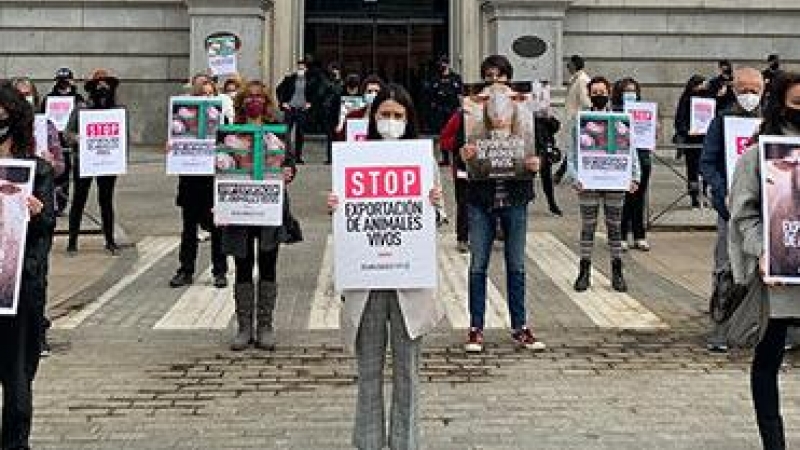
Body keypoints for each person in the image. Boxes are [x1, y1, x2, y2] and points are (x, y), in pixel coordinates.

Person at [328, 83, 444, 450]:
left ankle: (405, 443)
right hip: (368, 281)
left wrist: (435, 204)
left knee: (408, 372)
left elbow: (439, 219)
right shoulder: (355, 158)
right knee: (369, 371)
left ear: (408, 120)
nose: (390, 121)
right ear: (372, 116)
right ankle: (368, 442)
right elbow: (347, 218)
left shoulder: (424, 161)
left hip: (409, 281)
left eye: (397, 116)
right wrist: (336, 205)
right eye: (384, 114)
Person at [728, 71, 800, 450]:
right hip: (779, 274)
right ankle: (774, 441)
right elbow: (743, 213)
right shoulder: (759, 155)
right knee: (769, 356)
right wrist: (764, 252)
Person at [459, 55, 546, 353]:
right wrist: (462, 154)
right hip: (481, 199)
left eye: (500, 77)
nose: (494, 84)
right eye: (488, 77)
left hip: (516, 196)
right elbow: (448, 140)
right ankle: (476, 327)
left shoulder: (527, 117)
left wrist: (537, 163)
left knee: (517, 264)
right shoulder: (470, 117)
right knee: (478, 265)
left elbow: (543, 144)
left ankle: (520, 326)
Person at [0, 80, 56, 450]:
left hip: (18, 285)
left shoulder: (35, 169)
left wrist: (36, 212)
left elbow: (48, 225)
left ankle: (16, 443)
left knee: (18, 373)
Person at [225, 80, 296, 351]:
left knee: (268, 262)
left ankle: (265, 324)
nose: (255, 101)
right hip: (239, 206)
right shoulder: (229, 132)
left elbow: (289, 160)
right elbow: (221, 165)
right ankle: (244, 325)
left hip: (269, 206)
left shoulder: (277, 132)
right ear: (242, 102)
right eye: (250, 97)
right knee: (242, 263)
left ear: (267, 103)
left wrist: (289, 172)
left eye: (259, 97)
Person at [700, 67, 765, 352]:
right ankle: (721, 327)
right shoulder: (721, 122)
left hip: (766, 209)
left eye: (755, 89)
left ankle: (761, 327)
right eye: (744, 90)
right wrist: (720, 189)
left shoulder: (771, 123)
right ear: (734, 90)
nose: (749, 95)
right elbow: (707, 162)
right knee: (726, 268)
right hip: (730, 209)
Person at [566, 76, 640, 293]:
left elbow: (631, 149)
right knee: (588, 226)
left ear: (609, 92)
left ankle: (617, 271)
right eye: (595, 92)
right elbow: (571, 153)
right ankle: (584, 270)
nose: (599, 96)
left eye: (602, 92)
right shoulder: (580, 120)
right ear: (589, 94)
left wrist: (635, 176)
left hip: (615, 180)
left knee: (615, 227)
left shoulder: (621, 119)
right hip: (588, 181)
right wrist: (574, 176)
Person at [13, 77, 65, 357]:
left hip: (37, 211)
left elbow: (60, 167)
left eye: (27, 94)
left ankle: (37, 331)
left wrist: (48, 160)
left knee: (36, 278)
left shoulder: (45, 127)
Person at [168, 80, 229, 289]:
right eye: (203, 94)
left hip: (212, 181)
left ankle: (219, 271)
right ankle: (185, 269)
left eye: (211, 94)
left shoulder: (222, 120)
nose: (207, 98)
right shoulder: (182, 120)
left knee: (217, 228)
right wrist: (171, 149)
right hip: (190, 181)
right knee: (189, 228)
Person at [63, 69, 122, 256]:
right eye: (99, 85)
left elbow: (121, 137)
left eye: (106, 85)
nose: (103, 88)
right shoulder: (81, 108)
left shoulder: (116, 111)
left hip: (107, 162)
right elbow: (67, 133)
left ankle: (110, 240)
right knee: (79, 200)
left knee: (106, 200)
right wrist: (76, 138)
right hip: (85, 160)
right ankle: (72, 241)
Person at [613, 77, 652, 251]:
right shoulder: (615, 112)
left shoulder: (643, 110)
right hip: (624, 158)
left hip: (642, 157)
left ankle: (639, 234)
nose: (631, 94)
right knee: (625, 198)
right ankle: (621, 234)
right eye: (627, 91)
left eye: (633, 91)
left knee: (639, 197)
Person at [41, 67, 84, 216]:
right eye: (61, 81)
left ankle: (62, 203)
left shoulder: (78, 99)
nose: (63, 84)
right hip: (54, 139)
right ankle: (51, 202)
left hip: (69, 140)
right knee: (52, 170)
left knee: (66, 171)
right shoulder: (48, 98)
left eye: (66, 81)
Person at [674, 74, 709, 208]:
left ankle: (704, 193)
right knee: (693, 169)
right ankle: (694, 196)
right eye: (701, 84)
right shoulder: (686, 99)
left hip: (704, 138)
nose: (703, 87)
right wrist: (686, 130)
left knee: (705, 168)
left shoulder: (707, 98)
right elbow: (680, 119)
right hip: (691, 139)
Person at [277, 59, 319, 164]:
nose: (300, 69)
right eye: (299, 67)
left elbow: (316, 93)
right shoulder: (290, 79)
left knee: (300, 133)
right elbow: (279, 89)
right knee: (286, 132)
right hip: (290, 108)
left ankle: (298, 156)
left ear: (306, 69)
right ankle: (287, 156)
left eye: (302, 68)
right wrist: (283, 103)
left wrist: (310, 103)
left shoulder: (311, 80)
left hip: (302, 110)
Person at [427, 56, 463, 165]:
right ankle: (445, 158)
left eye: (444, 63)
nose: (442, 65)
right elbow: (430, 95)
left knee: (456, 134)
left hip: (453, 109)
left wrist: (461, 107)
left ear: (448, 64)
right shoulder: (435, 78)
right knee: (443, 134)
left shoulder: (456, 78)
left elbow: (460, 94)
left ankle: (457, 157)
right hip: (440, 110)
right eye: (441, 63)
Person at [335, 75, 385, 142]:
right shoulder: (352, 116)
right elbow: (341, 138)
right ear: (363, 94)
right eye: (369, 91)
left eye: (377, 91)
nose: (373, 94)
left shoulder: (387, 116)